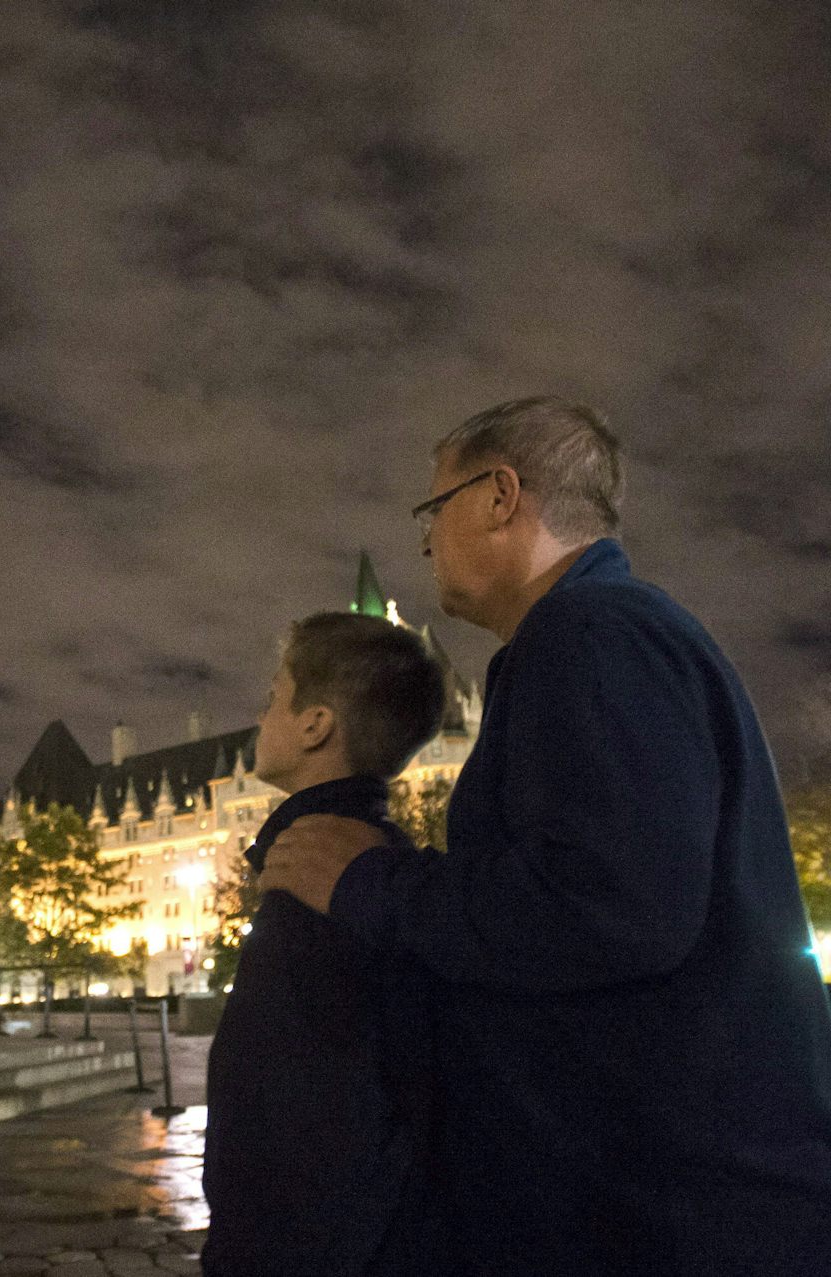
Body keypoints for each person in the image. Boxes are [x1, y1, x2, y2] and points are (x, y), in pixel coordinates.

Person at [259, 397, 831, 1273]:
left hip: (664, 1212)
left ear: (499, 496)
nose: (424, 541)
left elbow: (609, 905)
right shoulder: (598, 635)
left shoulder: (591, 633)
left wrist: (371, 880)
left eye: (433, 508)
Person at [202, 611, 450, 1276]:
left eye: (273, 697)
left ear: (315, 724)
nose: (260, 716)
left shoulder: (316, 876)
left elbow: (295, 1127)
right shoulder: (379, 869)